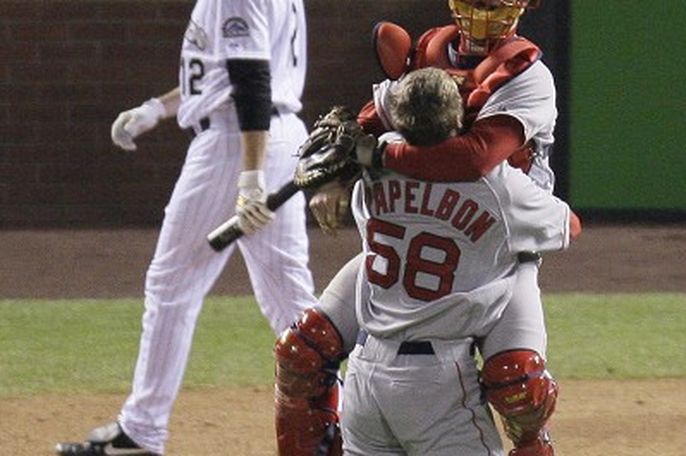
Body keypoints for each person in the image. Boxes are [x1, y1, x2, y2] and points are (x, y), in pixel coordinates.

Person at [274, 1, 576, 455]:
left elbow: (473, 157)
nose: (484, 10)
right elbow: (358, 130)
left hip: (499, 247)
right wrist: (336, 172)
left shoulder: (526, 76)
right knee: (302, 351)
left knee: (518, 383)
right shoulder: (429, 50)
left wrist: (370, 158)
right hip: (466, 222)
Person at [55, 1, 316, 455]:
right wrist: (157, 108)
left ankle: (141, 431)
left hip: (238, 143)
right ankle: (359, 414)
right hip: (272, 135)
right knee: (290, 298)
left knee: (172, 283)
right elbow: (220, 69)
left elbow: (251, 80)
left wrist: (250, 179)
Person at [343, 65, 575, 456]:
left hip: (364, 373)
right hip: (435, 380)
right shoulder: (495, 185)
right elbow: (567, 226)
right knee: (521, 383)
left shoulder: (369, 170)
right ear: (458, 118)